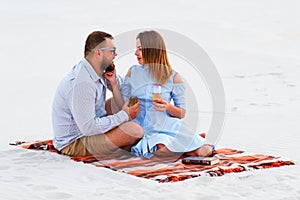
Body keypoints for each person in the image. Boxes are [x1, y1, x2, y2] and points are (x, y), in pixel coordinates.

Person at [121, 30, 214, 158]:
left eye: (140, 49)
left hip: (165, 125)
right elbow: (123, 100)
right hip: (140, 126)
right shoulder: (133, 72)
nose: (135, 53)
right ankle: (192, 145)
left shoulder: (173, 77)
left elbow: (181, 113)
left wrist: (168, 107)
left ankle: (195, 145)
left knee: (168, 146)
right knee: (160, 149)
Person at [52, 31, 144, 156]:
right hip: (74, 142)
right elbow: (89, 128)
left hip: (90, 125)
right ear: (98, 53)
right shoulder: (82, 83)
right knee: (135, 131)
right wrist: (124, 115)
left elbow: (126, 87)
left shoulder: (97, 70)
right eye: (112, 51)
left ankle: (120, 142)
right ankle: (120, 148)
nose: (115, 54)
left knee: (118, 103)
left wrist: (113, 83)